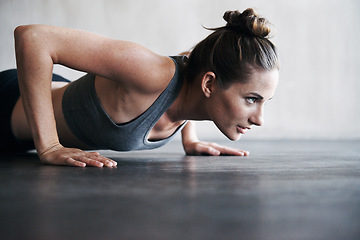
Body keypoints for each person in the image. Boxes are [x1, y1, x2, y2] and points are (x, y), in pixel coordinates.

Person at [0, 8, 279, 168]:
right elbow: (33, 38)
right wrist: (49, 146)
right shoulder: (152, 73)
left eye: (264, 102)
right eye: (252, 99)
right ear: (209, 83)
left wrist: (189, 141)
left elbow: (192, 63)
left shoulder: (196, 83)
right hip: (5, 104)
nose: (259, 119)